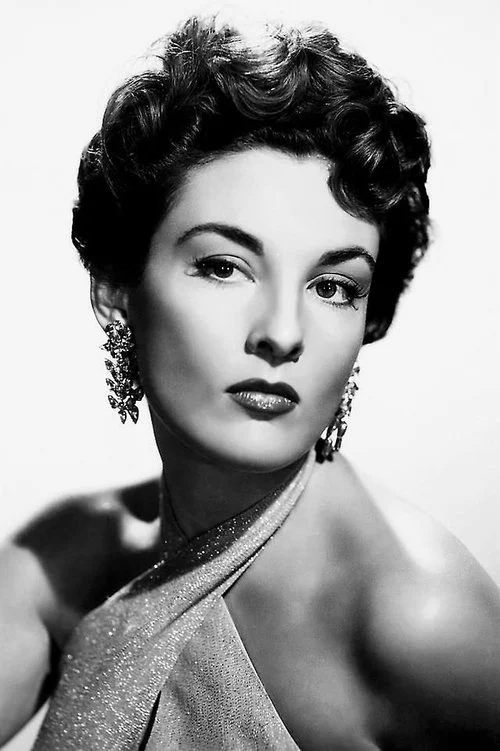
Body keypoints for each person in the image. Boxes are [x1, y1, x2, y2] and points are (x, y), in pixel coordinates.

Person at [1, 13, 499, 750]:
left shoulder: (418, 624)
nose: (283, 331)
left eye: (333, 286)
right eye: (223, 266)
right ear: (116, 285)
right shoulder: (75, 555)